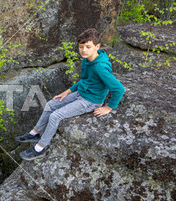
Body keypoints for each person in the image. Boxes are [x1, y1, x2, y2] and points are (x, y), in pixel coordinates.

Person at [17, 28, 125, 160]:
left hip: (90, 100)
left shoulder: (100, 67)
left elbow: (119, 89)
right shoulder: (86, 60)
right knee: (51, 104)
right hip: (81, 93)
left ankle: (39, 148)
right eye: (81, 47)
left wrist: (109, 107)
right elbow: (84, 81)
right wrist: (67, 92)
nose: (84, 50)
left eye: (88, 47)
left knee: (55, 116)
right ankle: (35, 133)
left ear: (97, 46)